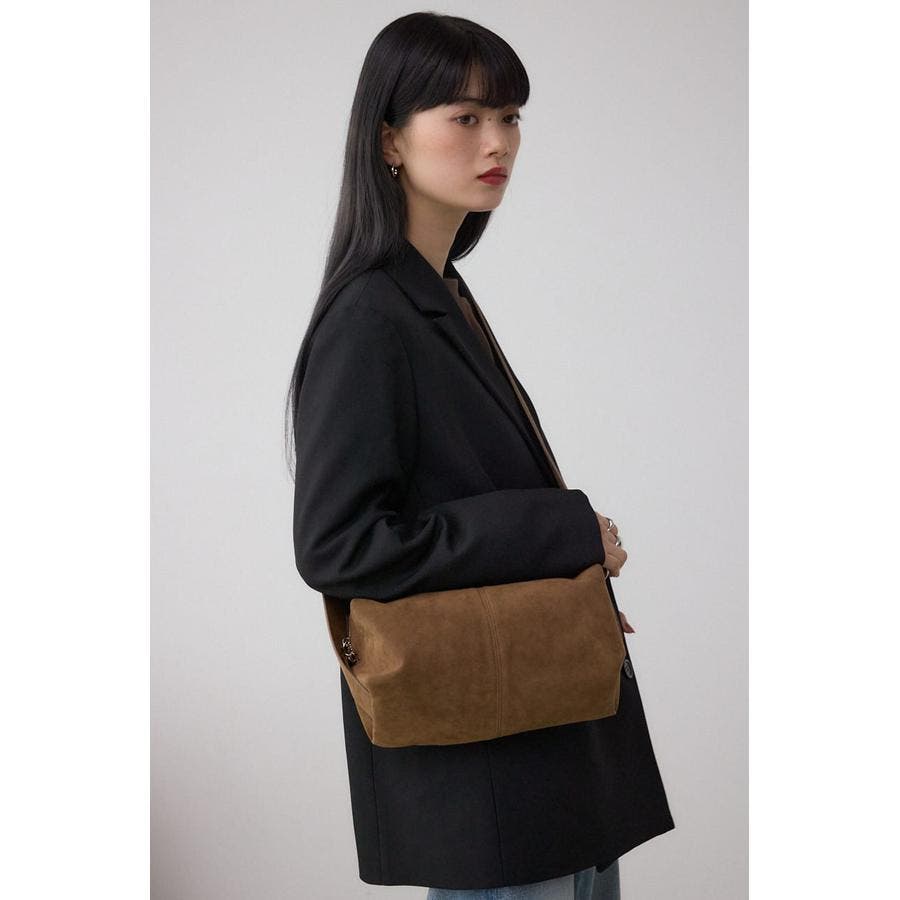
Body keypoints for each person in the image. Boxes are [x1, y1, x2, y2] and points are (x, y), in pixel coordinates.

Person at [285, 12, 675, 898]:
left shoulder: (438, 293)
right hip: (486, 766)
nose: (498, 142)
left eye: (510, 117)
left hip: (545, 732)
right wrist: (563, 529)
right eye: (465, 117)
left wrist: (566, 564)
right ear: (389, 138)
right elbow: (340, 546)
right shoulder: (369, 316)